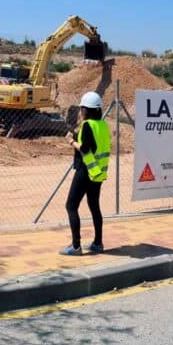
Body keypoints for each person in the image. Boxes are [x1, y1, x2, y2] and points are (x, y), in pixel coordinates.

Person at [61, 91, 111, 256]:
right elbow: (96, 145)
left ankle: (76, 246)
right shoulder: (103, 125)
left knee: (71, 206)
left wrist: (71, 141)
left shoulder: (88, 125)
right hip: (98, 173)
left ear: (86, 110)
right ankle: (98, 243)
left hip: (86, 170)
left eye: (82, 109)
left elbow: (85, 148)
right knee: (94, 206)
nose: (81, 111)